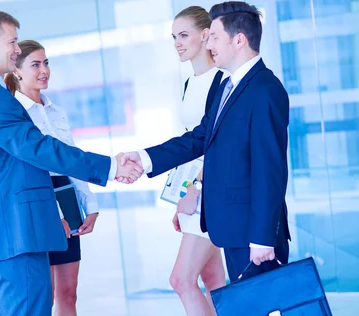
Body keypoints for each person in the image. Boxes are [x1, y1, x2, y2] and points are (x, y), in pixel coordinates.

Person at [0, 10, 141, 316]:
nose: (16, 48)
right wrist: (111, 167)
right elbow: (39, 148)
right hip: (17, 235)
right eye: (11, 41)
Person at [119, 1, 291, 283]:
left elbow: (270, 170)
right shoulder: (229, 86)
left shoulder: (265, 90)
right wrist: (145, 157)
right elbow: (199, 138)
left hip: (252, 234)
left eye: (214, 37)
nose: (209, 43)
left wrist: (262, 236)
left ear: (239, 40)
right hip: (233, 226)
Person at [4, 39, 98, 316]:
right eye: (35, 64)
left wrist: (89, 205)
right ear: (17, 71)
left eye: (46, 63)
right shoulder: (14, 113)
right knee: (44, 294)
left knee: (69, 292)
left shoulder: (56, 112)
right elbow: (31, 168)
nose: (44, 70)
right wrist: (53, 214)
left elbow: (71, 160)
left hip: (65, 194)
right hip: (38, 201)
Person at [167, 6, 226, 316]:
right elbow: (188, 144)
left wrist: (196, 188)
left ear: (205, 35)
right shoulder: (191, 82)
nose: (177, 42)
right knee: (212, 279)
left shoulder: (222, 81)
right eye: (174, 37)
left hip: (209, 190)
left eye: (184, 35)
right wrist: (182, 194)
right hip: (193, 190)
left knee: (181, 279)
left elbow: (219, 146)